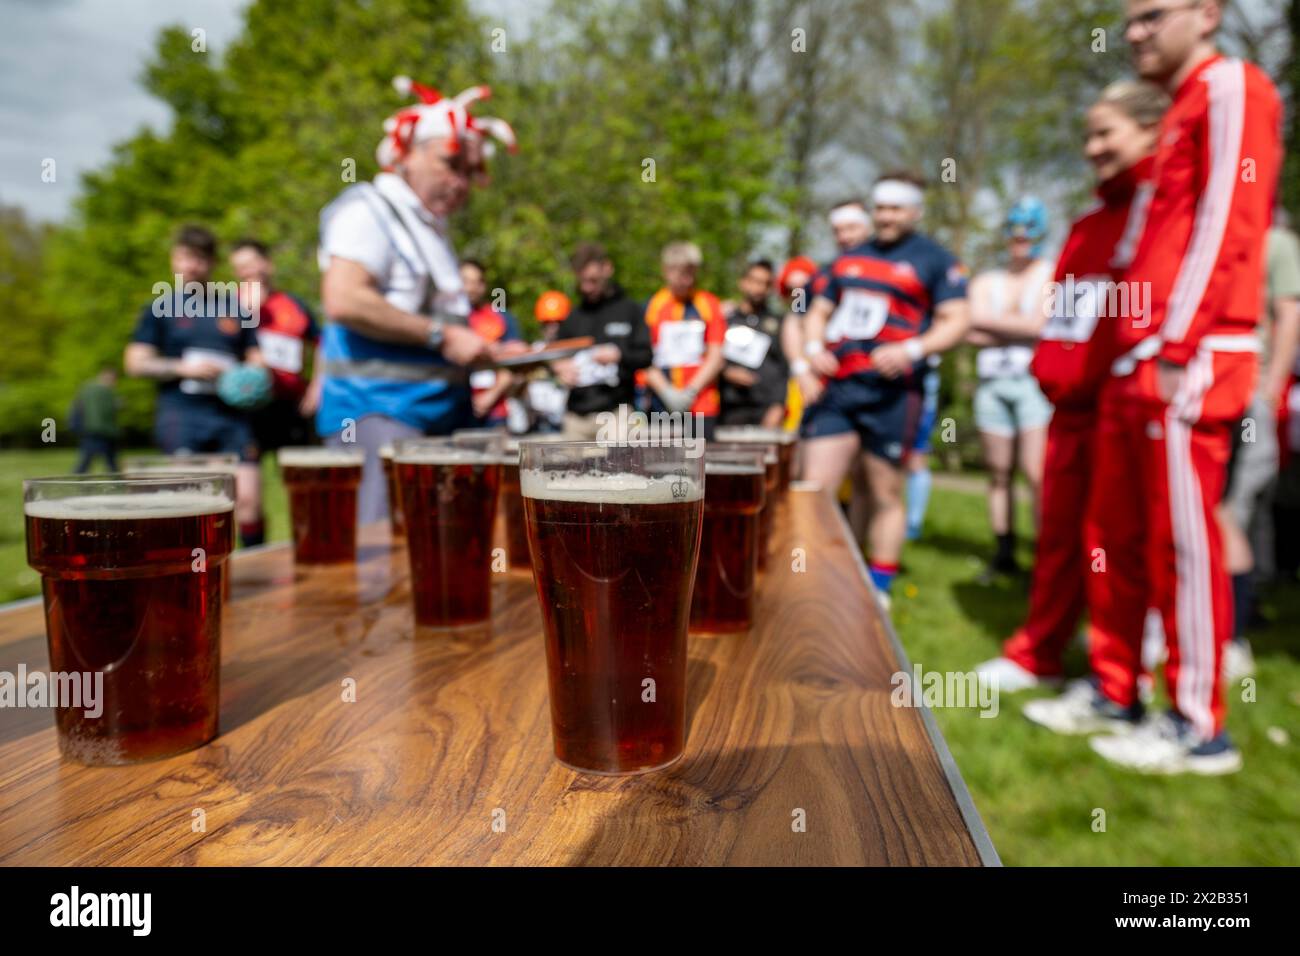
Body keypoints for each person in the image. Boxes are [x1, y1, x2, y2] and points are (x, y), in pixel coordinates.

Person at [1035, 0, 1282, 775]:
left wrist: (1176, 339)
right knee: (1114, 535)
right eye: (1129, 20)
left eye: (1152, 15)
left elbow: (1227, 218)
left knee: (1182, 540)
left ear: (1205, 12)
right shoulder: (1177, 109)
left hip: (1190, 350)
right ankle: (1116, 688)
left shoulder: (1231, 85)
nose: (1135, 31)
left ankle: (1198, 724)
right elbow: (1152, 234)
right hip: (1138, 356)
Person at [975, 80, 1169, 693]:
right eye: (1087, 134)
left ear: (1152, 131)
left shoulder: (1162, 215)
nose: (1091, 147)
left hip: (1124, 408)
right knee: (1058, 535)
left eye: (1106, 132)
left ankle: (1128, 662)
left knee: (1117, 542)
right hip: (1066, 409)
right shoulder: (1085, 227)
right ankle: (1039, 650)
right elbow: (1062, 320)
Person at [316, 76, 521, 522]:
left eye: (470, 171)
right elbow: (344, 299)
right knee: (383, 564)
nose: (461, 182)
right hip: (377, 417)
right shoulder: (367, 210)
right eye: (451, 164)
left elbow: (440, 336)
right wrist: (441, 335)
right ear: (407, 153)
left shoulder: (431, 229)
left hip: (437, 423)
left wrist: (494, 355)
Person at [798, 172, 971, 601]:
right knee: (814, 489)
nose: (886, 217)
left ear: (915, 211)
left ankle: (878, 588)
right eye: (880, 208)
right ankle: (814, 577)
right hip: (840, 389)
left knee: (882, 491)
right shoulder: (850, 258)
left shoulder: (935, 260)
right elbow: (816, 310)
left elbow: (958, 322)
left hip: (895, 393)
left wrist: (912, 350)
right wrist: (814, 348)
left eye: (895, 208)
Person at [124, 224, 266, 547]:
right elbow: (136, 363)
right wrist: (184, 368)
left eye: (199, 259)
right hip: (182, 417)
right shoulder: (159, 309)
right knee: (188, 505)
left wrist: (244, 378)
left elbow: (257, 360)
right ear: (174, 261)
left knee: (248, 502)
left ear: (211, 264)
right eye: (184, 258)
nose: (191, 266)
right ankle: (196, 582)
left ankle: (254, 577)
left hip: (232, 418)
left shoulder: (234, 308)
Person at [1217, 209, 1300, 680]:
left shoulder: (1276, 242)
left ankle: (1233, 636)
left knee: (1229, 514)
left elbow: (1288, 314)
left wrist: (1269, 391)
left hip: (1249, 402)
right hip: (1207, 396)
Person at [967, 199, 1055, 577]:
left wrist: (993, 324)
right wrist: (1020, 324)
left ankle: (1046, 560)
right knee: (998, 472)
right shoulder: (987, 280)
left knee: (1035, 472)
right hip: (992, 383)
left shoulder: (1051, 275)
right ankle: (1004, 553)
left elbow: (1044, 326)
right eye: (1014, 231)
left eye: (1028, 230)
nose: (1020, 239)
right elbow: (969, 327)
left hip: (1034, 383)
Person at [230, 238, 321, 546]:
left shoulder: (293, 304)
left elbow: (322, 343)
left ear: (267, 264)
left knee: (301, 487)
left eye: (252, 262)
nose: (248, 270)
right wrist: (245, 312)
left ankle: (308, 551)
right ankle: (256, 559)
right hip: (248, 411)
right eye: (240, 266)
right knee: (248, 497)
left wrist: (317, 387)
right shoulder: (228, 306)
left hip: (293, 406)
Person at [551, 243, 653, 439]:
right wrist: (559, 368)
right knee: (571, 469)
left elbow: (646, 356)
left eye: (592, 280)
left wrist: (619, 356)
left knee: (619, 469)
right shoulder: (573, 316)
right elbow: (553, 355)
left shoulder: (630, 310)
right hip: (577, 418)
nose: (586, 288)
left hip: (617, 414)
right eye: (582, 281)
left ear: (607, 268)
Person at [643, 241, 727, 439]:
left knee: (701, 465)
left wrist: (690, 392)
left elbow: (716, 355)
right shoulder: (653, 306)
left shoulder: (708, 304)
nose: (686, 280)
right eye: (680, 273)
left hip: (701, 405)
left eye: (690, 273)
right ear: (666, 271)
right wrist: (667, 391)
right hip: (661, 403)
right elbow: (643, 356)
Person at [720, 259, 788, 428]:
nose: (760, 289)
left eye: (766, 284)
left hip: (765, 411)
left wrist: (778, 407)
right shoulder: (724, 320)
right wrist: (726, 372)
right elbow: (708, 355)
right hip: (728, 408)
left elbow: (785, 368)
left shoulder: (778, 323)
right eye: (755, 281)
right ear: (743, 282)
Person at [461, 259, 524, 428]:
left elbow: (517, 360)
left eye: (475, 282)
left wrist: (491, 395)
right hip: (456, 411)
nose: (470, 288)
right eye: (465, 281)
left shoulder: (500, 317)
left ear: (483, 285)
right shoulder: (448, 319)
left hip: (495, 412)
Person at [70, 365, 121, 473]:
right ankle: (75, 479)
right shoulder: (101, 391)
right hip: (99, 431)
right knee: (93, 459)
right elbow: (98, 413)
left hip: (90, 429)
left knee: (92, 459)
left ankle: (76, 478)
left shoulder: (88, 388)